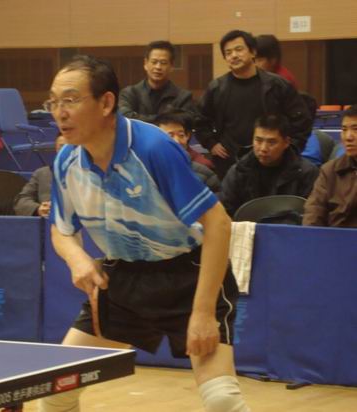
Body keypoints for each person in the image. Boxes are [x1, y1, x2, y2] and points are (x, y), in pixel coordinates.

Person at [39, 55, 249, 412]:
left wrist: (202, 314)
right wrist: (78, 259)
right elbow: (62, 230)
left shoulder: (153, 148)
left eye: (70, 100)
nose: (60, 112)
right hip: (123, 278)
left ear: (106, 102)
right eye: (54, 102)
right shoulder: (66, 162)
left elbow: (219, 223)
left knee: (222, 401)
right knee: (55, 392)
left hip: (189, 275)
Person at [196, 30, 312, 178]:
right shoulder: (216, 88)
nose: (234, 55)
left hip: (273, 162)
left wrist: (290, 150)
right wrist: (211, 143)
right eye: (228, 53)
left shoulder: (278, 85)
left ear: (253, 52)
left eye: (239, 49)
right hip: (230, 162)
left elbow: (302, 121)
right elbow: (199, 120)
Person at [220, 114, 318, 217]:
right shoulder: (238, 171)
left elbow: (311, 215)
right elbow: (225, 212)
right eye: (258, 140)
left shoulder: (306, 173)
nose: (263, 148)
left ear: (286, 142)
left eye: (271, 142)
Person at [303, 104, 357, 227]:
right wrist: (311, 236)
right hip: (334, 236)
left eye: (356, 129)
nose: (348, 137)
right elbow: (314, 211)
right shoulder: (330, 170)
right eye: (344, 130)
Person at [119, 41, 193, 123]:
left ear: (171, 66)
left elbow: (185, 122)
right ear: (145, 64)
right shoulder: (129, 94)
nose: (158, 67)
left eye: (163, 63)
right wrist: (165, 120)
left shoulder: (183, 97)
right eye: (154, 62)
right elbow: (125, 118)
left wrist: (140, 118)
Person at [156, 111, 220, 193]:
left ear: (188, 136)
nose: (176, 141)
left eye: (181, 135)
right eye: (170, 136)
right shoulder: (147, 165)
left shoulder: (203, 167)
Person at [13, 135, 67, 216]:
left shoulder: (86, 173)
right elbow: (21, 201)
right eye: (62, 147)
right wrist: (38, 209)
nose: (66, 151)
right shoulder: (42, 173)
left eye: (71, 147)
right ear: (56, 149)